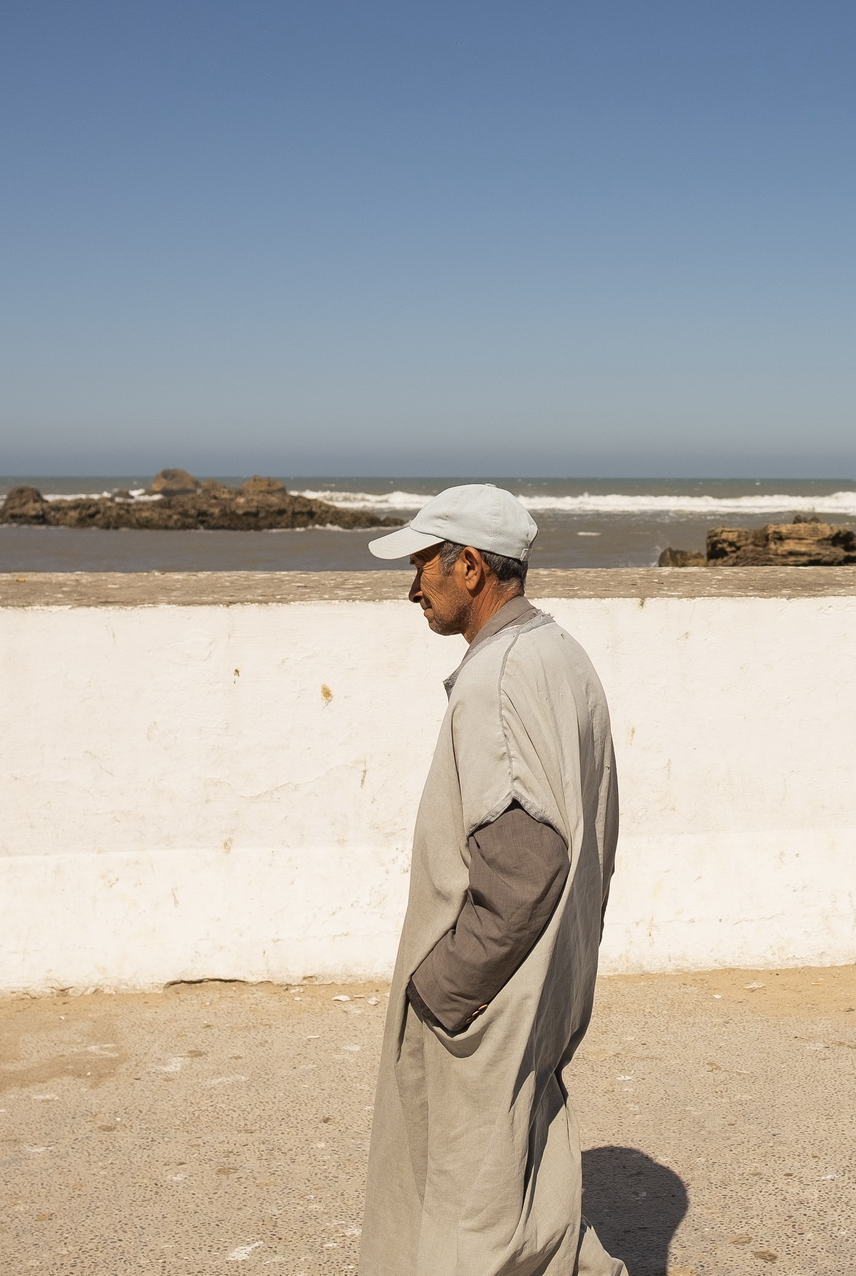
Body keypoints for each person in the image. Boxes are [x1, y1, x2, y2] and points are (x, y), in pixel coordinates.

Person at [359, 483, 626, 1276]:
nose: (413, 588)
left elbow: (527, 862)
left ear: (469, 566)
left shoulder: (496, 678)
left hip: (489, 998)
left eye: (422, 566)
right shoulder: (560, 654)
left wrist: (441, 989)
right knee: (527, 1198)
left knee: (470, 1224)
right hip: (542, 980)